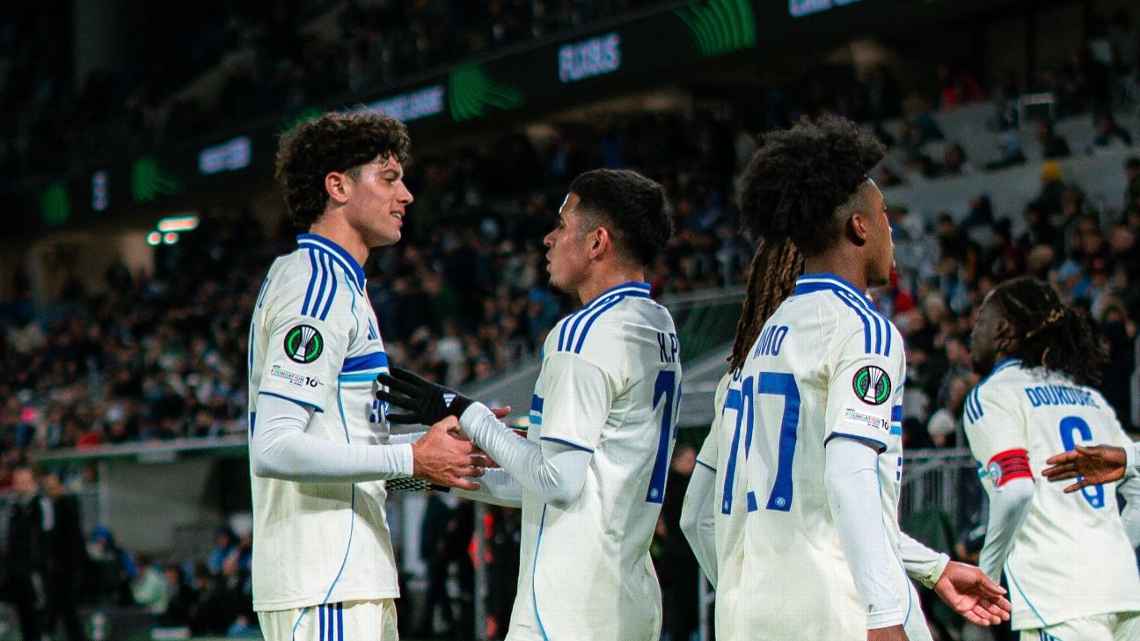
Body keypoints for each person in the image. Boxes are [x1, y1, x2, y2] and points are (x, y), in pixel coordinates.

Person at [676, 115, 1009, 641]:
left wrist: (933, 566)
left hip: (747, 618)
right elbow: (849, 475)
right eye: (884, 215)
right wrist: (883, 613)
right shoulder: (862, 330)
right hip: (840, 611)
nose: (891, 230)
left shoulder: (748, 359)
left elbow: (697, 516)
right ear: (859, 226)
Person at [377, 168, 681, 641]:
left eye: (561, 225)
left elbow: (555, 482)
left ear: (597, 242)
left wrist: (468, 413)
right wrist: (420, 470)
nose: (548, 238)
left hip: (566, 605)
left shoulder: (584, 333)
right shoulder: (660, 326)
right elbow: (551, 483)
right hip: (629, 596)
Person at [248, 110, 486, 641]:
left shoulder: (338, 284)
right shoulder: (317, 287)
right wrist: (411, 457)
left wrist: (431, 461)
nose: (407, 195)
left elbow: (345, 447)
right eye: (389, 178)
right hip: (325, 578)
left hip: (347, 575)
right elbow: (274, 447)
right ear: (338, 186)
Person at [964, 276, 1140, 640]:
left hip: (1059, 598)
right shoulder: (1090, 399)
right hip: (1124, 590)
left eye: (981, 320)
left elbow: (1015, 491)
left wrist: (987, 575)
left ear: (1003, 331)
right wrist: (1110, 547)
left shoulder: (994, 395)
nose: (972, 331)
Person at [42, 470, 89, 641]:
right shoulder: (48, 506)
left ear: (60, 486)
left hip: (67, 566)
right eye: (47, 487)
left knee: (67, 607)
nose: (50, 490)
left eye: (53, 486)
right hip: (55, 566)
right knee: (58, 607)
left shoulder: (67, 505)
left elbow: (72, 538)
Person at [4, 464, 45, 641]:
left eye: (24, 481)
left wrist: (39, 567)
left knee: (37, 615)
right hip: (16, 571)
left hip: (35, 571)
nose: (20, 485)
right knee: (24, 616)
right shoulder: (13, 507)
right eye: (18, 482)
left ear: (33, 482)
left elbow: (46, 538)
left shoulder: (41, 505)